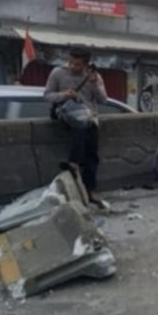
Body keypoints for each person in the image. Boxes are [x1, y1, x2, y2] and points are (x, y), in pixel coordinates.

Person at [44, 47, 109, 208]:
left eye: (77, 64)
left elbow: (103, 100)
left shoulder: (93, 77)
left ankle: (91, 189)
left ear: (86, 65)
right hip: (66, 112)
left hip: (89, 116)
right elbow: (47, 95)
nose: (73, 66)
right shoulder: (58, 73)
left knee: (92, 153)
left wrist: (94, 83)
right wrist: (64, 95)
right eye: (71, 62)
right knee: (79, 126)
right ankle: (74, 162)